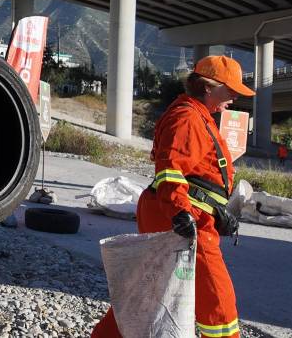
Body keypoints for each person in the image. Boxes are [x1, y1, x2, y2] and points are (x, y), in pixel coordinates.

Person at [91, 55, 254, 338]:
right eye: (230, 91)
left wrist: (217, 215)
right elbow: (171, 170)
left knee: (148, 291)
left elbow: (197, 175)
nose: (234, 98)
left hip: (186, 214)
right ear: (208, 87)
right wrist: (181, 213)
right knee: (218, 301)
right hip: (185, 219)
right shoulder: (188, 117)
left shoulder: (196, 115)